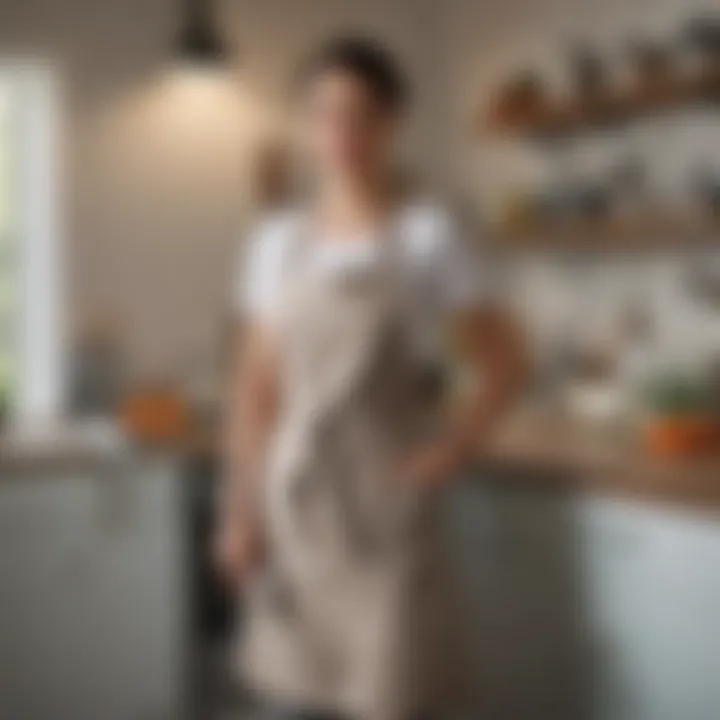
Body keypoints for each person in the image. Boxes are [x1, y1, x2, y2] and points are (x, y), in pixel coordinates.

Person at [216, 36, 526, 720]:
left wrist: (454, 448)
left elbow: (506, 362)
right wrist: (239, 513)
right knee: (291, 699)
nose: (341, 132)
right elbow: (255, 390)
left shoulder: (428, 235)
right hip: (296, 505)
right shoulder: (275, 243)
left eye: (359, 115)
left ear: (391, 124)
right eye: (324, 114)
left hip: (388, 514)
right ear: (305, 125)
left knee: (392, 697)